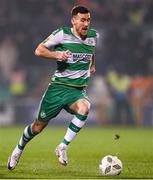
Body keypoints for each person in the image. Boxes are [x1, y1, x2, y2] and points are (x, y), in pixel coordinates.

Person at [7, 5, 99, 170]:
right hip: (57, 89)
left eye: (88, 20)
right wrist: (58, 55)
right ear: (73, 20)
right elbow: (39, 50)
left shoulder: (93, 36)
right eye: (82, 20)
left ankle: (63, 146)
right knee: (38, 127)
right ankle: (18, 148)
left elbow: (91, 51)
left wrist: (92, 65)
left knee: (85, 107)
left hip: (76, 91)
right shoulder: (62, 34)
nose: (86, 24)